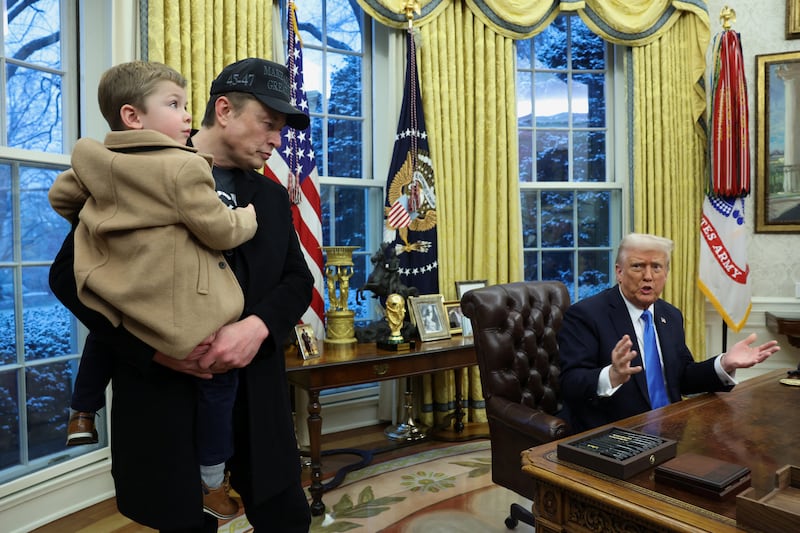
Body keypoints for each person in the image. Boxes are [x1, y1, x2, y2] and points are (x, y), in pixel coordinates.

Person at [49, 57, 314, 532]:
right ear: (225, 110)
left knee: (287, 517)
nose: (277, 140)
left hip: (257, 401)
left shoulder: (272, 198)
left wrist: (254, 330)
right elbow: (69, 278)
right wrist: (153, 351)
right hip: (163, 403)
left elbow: (298, 280)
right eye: (268, 124)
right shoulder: (135, 172)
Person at [558, 233, 780, 434]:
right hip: (617, 433)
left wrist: (724, 363)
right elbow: (569, 384)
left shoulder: (670, 315)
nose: (648, 276)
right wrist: (612, 375)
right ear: (619, 272)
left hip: (673, 429)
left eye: (656, 267)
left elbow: (682, 378)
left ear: (666, 273)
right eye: (637, 266)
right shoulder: (586, 314)